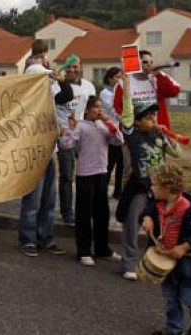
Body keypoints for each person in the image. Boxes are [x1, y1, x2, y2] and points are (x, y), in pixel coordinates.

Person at [115, 72, 182, 280]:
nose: (153, 120)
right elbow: (126, 112)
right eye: (148, 117)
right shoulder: (132, 135)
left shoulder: (158, 135)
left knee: (161, 225)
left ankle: (156, 262)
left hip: (160, 189)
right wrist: (126, 85)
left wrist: (167, 136)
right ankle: (129, 263)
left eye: (155, 116)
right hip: (141, 186)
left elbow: (177, 153)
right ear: (137, 121)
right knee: (133, 222)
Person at [141, 163, 191, 335]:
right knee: (170, 297)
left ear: (167, 188)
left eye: (154, 184)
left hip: (188, 266)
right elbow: (148, 211)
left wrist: (185, 246)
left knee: (189, 297)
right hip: (167, 261)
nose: (151, 187)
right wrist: (146, 218)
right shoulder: (158, 203)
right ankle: (174, 329)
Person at [59, 96, 123, 265]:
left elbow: (118, 140)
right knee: (84, 214)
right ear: (86, 109)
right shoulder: (80, 125)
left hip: (102, 173)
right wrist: (71, 129)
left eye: (100, 107)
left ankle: (102, 248)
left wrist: (110, 123)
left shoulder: (103, 125)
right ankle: (84, 251)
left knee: (102, 213)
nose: (99, 110)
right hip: (85, 175)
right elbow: (66, 145)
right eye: (95, 107)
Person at [17, 52, 70, 257]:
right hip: (32, 154)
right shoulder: (25, 101)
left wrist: (61, 81)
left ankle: (45, 237)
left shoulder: (51, 95)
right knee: (33, 200)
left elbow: (66, 96)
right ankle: (27, 239)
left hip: (50, 151)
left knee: (49, 199)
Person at [53, 56, 97, 225]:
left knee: (87, 173)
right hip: (64, 134)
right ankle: (67, 213)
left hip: (84, 134)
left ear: (81, 67)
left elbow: (91, 110)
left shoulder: (88, 87)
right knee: (67, 175)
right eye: (69, 67)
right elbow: (49, 108)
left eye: (75, 67)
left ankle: (86, 209)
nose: (71, 70)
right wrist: (60, 127)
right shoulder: (56, 86)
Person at [113, 50, 181, 130]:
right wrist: (132, 122)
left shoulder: (157, 78)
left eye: (151, 62)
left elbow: (173, 92)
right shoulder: (124, 82)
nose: (149, 65)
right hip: (135, 130)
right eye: (145, 62)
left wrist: (159, 75)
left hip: (158, 128)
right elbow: (117, 107)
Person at [99, 67, 124, 199]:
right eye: (117, 77)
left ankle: (118, 190)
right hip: (110, 131)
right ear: (110, 78)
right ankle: (103, 189)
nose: (119, 80)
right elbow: (114, 110)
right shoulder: (105, 93)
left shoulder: (118, 92)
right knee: (110, 163)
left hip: (119, 131)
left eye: (121, 77)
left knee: (121, 162)